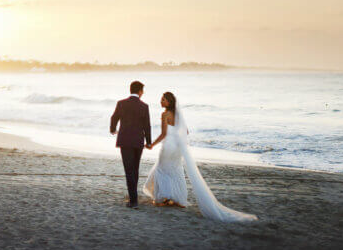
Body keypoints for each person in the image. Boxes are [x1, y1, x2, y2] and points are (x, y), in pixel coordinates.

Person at [143, 91, 257, 222]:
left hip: (168, 146)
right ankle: (176, 199)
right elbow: (186, 132)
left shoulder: (165, 114)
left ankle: (164, 197)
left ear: (169, 102)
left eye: (163, 99)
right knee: (175, 170)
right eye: (161, 99)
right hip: (178, 147)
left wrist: (152, 144)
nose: (161, 101)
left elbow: (163, 134)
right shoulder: (178, 115)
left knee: (162, 170)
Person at [110, 81, 151, 209]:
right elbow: (147, 126)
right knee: (135, 169)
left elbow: (114, 118)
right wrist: (148, 141)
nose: (143, 93)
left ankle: (133, 200)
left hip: (125, 140)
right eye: (142, 91)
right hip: (138, 141)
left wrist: (112, 129)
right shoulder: (144, 106)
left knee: (129, 170)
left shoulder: (121, 103)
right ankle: (133, 197)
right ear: (139, 91)